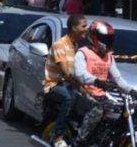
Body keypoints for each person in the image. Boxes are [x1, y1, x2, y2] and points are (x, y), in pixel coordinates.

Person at [73, 20, 137, 143]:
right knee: (97, 110)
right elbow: (79, 74)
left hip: (101, 96)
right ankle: (80, 141)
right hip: (84, 93)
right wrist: (96, 81)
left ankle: (108, 140)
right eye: (104, 38)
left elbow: (117, 78)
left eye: (109, 39)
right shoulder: (83, 53)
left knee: (119, 111)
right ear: (93, 37)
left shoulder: (109, 56)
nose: (107, 42)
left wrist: (131, 90)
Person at [43, 14, 87, 147]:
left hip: (68, 85)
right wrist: (81, 88)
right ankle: (58, 135)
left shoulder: (75, 45)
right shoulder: (60, 44)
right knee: (68, 98)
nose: (86, 29)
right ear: (74, 28)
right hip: (54, 85)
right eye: (83, 26)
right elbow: (67, 73)